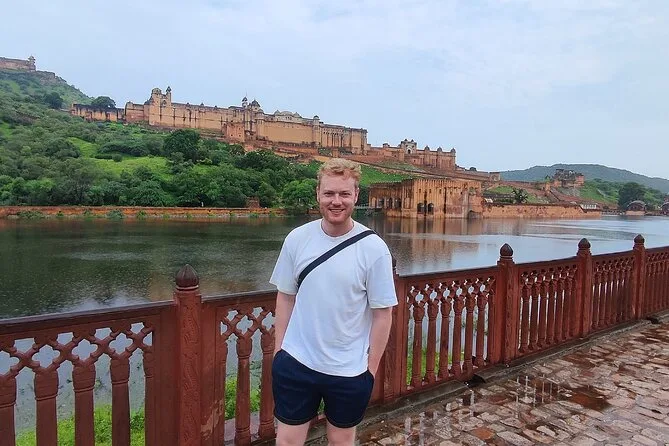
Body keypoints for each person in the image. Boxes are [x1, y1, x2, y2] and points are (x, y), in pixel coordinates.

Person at [269, 158, 397, 446]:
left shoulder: (374, 249)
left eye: (344, 194)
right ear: (318, 194)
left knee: (341, 440)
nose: (336, 201)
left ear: (356, 195)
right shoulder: (297, 239)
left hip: (349, 369)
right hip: (297, 361)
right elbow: (286, 297)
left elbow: (383, 313)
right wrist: (280, 353)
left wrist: (370, 370)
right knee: (287, 440)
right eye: (329, 193)